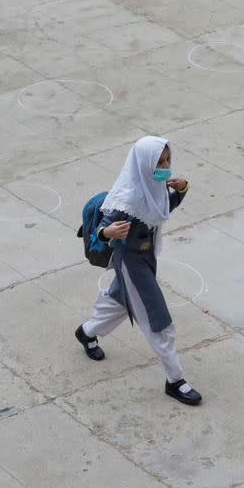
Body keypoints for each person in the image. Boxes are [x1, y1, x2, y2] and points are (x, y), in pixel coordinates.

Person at [74, 135, 202, 406]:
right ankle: (175, 379)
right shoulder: (128, 197)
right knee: (157, 319)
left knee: (120, 302)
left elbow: (164, 207)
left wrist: (182, 189)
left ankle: (87, 332)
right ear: (144, 164)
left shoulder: (153, 188)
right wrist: (107, 232)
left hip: (146, 258)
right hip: (131, 263)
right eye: (160, 162)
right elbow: (103, 227)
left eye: (168, 160)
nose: (165, 166)